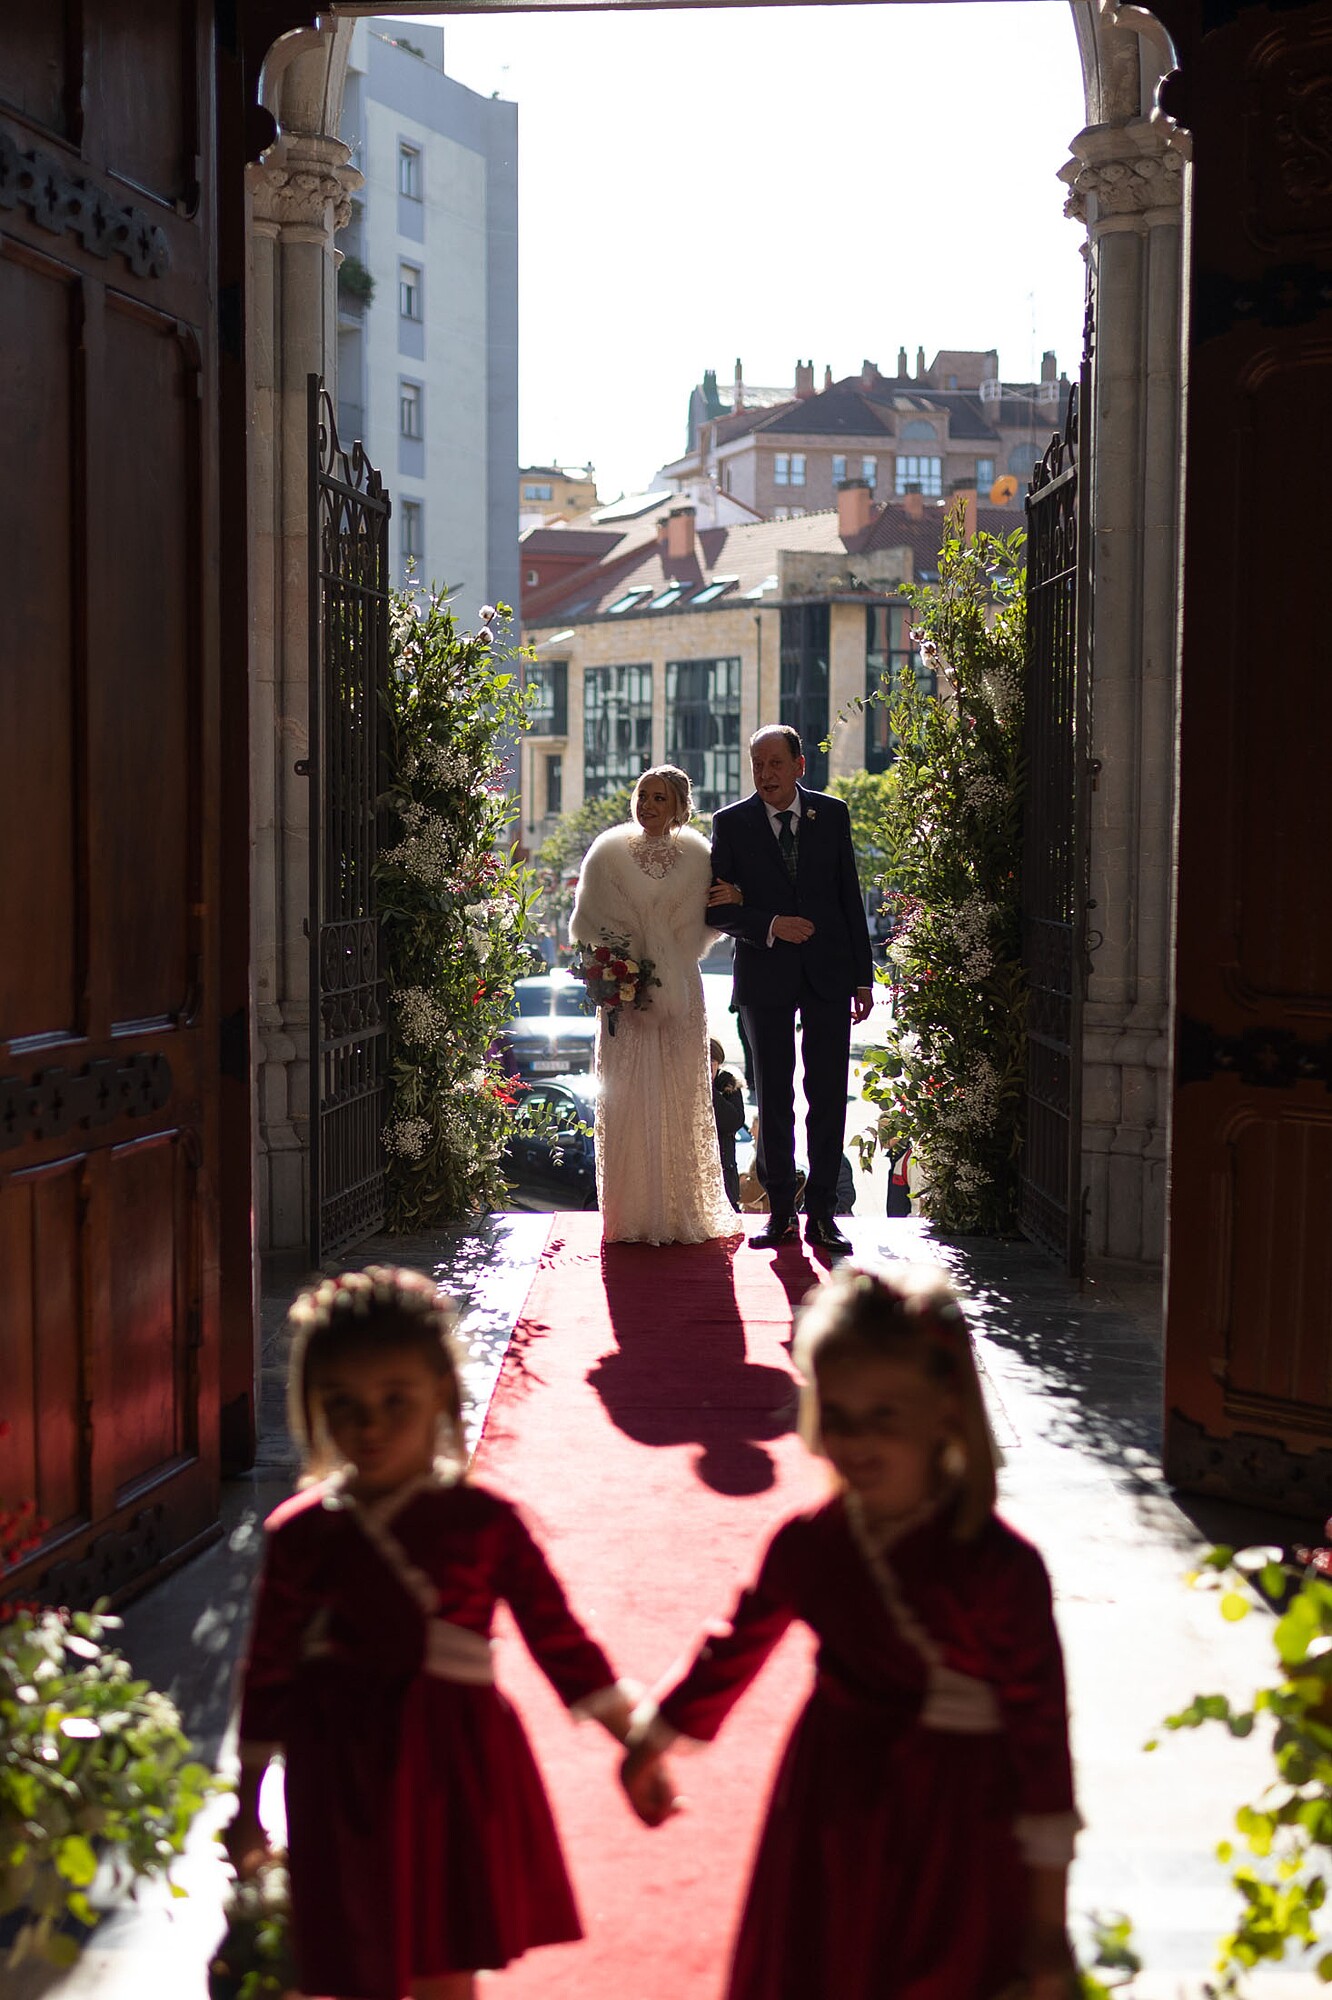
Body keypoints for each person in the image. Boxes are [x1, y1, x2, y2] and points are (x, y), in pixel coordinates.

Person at [622, 1261, 1081, 2000]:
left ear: (946, 1412)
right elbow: (735, 1645)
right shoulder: (809, 1544)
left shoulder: (1002, 1568)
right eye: (837, 1414)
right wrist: (656, 1732)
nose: (856, 1440)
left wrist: (1046, 1922)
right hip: (830, 1812)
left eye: (885, 1416)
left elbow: (1041, 1740)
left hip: (955, 1825)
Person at [226, 1267, 638, 2000]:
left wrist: (633, 1738)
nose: (369, 1426)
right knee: (355, 1948)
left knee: (448, 1955)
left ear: (443, 1395)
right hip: (338, 1766)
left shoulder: (483, 1522)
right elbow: (269, 1668)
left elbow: (557, 1635)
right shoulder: (300, 1534)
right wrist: (249, 1801)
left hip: (455, 1759)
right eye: (343, 1405)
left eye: (395, 1401)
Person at [707, 725, 874, 1256]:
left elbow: (850, 896)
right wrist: (773, 922)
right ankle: (780, 1211)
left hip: (829, 974)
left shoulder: (834, 814)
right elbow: (720, 908)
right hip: (765, 977)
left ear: (800, 766)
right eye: (757, 764)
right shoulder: (730, 823)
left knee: (827, 1095)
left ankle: (822, 1212)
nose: (766, 774)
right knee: (773, 1097)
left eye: (776, 763)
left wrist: (862, 978)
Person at [571, 765, 739, 1244]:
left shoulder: (699, 856)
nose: (647, 805)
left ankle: (677, 1211)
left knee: (679, 1091)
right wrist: (615, 969)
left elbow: (714, 919)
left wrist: (671, 952)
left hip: (681, 988)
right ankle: (631, 1217)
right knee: (625, 1095)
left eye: (659, 798)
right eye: (643, 795)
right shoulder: (607, 852)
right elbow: (586, 925)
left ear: (680, 808)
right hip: (622, 993)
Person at [711, 1035, 746, 1208]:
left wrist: (709, 1090)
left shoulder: (728, 1084)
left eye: (713, 1061)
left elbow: (734, 1121)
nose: (709, 1066)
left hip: (725, 1172)